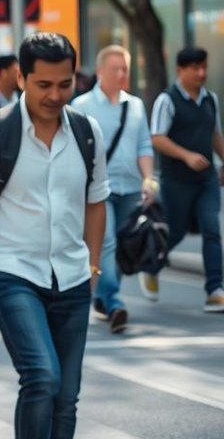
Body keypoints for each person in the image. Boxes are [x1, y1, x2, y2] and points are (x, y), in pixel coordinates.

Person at [0, 32, 109, 439]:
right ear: (21, 77)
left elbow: (97, 202)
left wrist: (92, 266)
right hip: (11, 270)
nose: (55, 95)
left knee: (66, 395)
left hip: (72, 276)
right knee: (42, 376)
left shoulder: (87, 132)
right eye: (44, 84)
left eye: (65, 83)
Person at [71, 45, 157, 332]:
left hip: (131, 187)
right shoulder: (81, 106)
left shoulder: (134, 105)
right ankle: (115, 301)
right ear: (99, 72)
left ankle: (105, 297)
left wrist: (148, 178)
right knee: (105, 242)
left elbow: (144, 144)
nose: (121, 74)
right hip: (99, 189)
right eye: (115, 69)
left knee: (122, 245)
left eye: (125, 69)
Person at [147, 46, 224, 312]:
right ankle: (152, 265)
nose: (201, 73)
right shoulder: (166, 100)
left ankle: (215, 289)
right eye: (195, 68)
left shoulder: (210, 99)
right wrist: (186, 156)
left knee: (211, 228)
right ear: (180, 70)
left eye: (204, 67)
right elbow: (157, 138)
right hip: (176, 181)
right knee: (175, 231)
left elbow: (215, 135)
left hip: (207, 180)